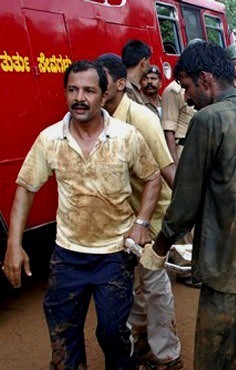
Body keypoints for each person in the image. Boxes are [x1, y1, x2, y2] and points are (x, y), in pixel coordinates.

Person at [2, 60, 161, 369]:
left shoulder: (126, 136)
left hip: (115, 255)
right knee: (63, 335)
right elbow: (25, 188)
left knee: (112, 333)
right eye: (73, 90)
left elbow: (152, 176)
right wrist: (13, 244)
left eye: (89, 90)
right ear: (65, 94)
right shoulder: (50, 139)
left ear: (104, 96)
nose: (80, 98)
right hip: (68, 256)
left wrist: (142, 223)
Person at [144, 42, 236, 369]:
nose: (188, 97)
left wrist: (160, 247)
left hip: (222, 274)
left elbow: (186, 198)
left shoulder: (207, 120)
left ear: (205, 79)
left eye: (188, 87)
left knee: (211, 363)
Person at [96, 53, 182, 369]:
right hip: (125, 217)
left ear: (120, 84)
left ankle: (167, 355)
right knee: (138, 286)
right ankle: (139, 342)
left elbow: (164, 170)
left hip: (153, 216)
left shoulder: (142, 119)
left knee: (155, 284)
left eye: (100, 81)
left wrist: (186, 211)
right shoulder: (99, 118)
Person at [122, 39, 159, 117]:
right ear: (144, 61)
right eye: (149, 60)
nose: (149, 65)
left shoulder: (130, 87)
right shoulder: (128, 90)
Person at [161, 79, 195, 164]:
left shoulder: (199, 84)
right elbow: (168, 132)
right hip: (184, 149)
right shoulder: (173, 91)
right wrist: (176, 166)